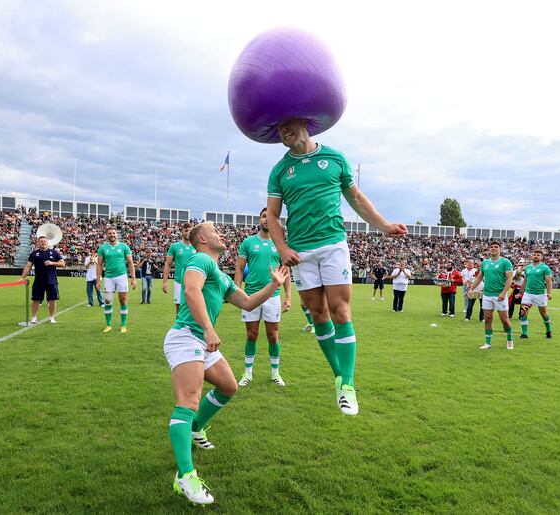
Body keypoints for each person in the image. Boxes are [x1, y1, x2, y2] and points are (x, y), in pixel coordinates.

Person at [267, 118, 407, 415]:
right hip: (300, 252)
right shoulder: (279, 170)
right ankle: (339, 377)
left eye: (288, 125)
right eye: (279, 128)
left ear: (305, 123)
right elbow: (273, 216)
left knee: (340, 311)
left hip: (333, 245)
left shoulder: (335, 158)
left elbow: (355, 197)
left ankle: (347, 385)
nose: (283, 132)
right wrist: (282, 248)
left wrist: (383, 225)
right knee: (318, 315)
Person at [164, 221, 288, 505]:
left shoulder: (220, 275)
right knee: (188, 401)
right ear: (203, 239)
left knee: (229, 387)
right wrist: (208, 329)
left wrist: (273, 285)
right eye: (214, 230)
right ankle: (185, 475)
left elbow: (247, 302)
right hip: (187, 338)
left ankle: (195, 429)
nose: (221, 233)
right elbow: (191, 291)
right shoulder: (199, 259)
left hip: (201, 341)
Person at [234, 208, 291, 387]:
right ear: (259, 220)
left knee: (273, 336)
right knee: (251, 335)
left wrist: (288, 296)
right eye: (263, 216)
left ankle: (275, 373)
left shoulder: (280, 244)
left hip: (273, 296)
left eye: (270, 217)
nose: (266, 219)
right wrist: (236, 291)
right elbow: (239, 268)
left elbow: (285, 272)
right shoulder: (248, 242)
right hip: (250, 295)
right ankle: (247, 373)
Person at [469, 241, 514, 350]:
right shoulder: (485, 262)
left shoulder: (505, 262)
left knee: (505, 320)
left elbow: (509, 278)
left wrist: (503, 293)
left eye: (496, 247)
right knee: (488, 319)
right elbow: (479, 277)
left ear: (500, 249)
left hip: (499, 295)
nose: (493, 248)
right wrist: (471, 289)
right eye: (492, 247)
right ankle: (488, 343)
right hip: (487, 295)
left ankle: (509, 340)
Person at [96, 226, 136, 333]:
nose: (112, 235)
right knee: (108, 301)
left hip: (122, 276)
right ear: (107, 235)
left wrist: (134, 278)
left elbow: (131, 263)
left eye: (113, 233)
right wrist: (98, 280)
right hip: (108, 277)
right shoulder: (103, 248)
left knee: (123, 300)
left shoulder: (124, 247)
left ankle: (123, 325)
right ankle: (108, 325)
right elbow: (99, 265)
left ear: (116, 234)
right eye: (110, 233)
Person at [19, 235, 65, 324]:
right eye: (41, 241)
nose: (43, 242)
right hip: (38, 281)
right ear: (38, 243)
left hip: (51, 280)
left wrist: (51, 263)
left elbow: (63, 264)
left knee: (52, 299)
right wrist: (22, 277)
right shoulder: (34, 253)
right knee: (35, 299)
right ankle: (34, 317)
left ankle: (52, 317)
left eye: (44, 241)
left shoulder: (54, 252)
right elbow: (28, 266)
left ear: (47, 242)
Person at [518, 249, 554, 339]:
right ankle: (524, 333)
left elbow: (549, 282)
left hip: (540, 294)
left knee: (543, 314)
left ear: (541, 257)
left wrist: (549, 293)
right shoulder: (527, 268)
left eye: (538, 255)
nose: (536, 256)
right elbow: (525, 281)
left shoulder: (545, 268)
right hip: (528, 294)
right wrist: (520, 293)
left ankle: (548, 330)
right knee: (523, 312)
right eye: (534, 254)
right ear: (532, 256)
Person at [162, 223, 195, 315]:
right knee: (179, 310)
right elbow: (168, 264)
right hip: (179, 281)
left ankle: (191, 329)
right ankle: (179, 328)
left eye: (190, 231)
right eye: (186, 230)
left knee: (193, 309)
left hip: (194, 282)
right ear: (182, 232)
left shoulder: (197, 246)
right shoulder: (174, 246)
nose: (188, 233)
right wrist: (165, 282)